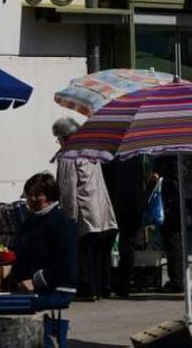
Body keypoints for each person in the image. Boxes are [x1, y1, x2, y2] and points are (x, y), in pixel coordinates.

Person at [52, 117, 117, 300]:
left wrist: (68, 218)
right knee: (99, 253)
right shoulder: (92, 152)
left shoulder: (67, 155)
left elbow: (67, 188)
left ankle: (88, 290)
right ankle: (103, 288)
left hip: (84, 212)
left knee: (83, 254)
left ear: (65, 137)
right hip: (101, 212)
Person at [4, 173, 78, 307]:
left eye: (38, 195)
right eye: (29, 195)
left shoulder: (62, 223)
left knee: (12, 306)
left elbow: (65, 263)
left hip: (56, 290)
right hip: (28, 289)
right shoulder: (29, 223)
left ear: (50, 197)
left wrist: (35, 281)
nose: (32, 199)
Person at [102, 157, 148, 297]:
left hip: (114, 206)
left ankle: (105, 284)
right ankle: (124, 285)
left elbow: (105, 184)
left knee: (106, 246)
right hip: (133, 207)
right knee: (128, 247)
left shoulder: (109, 161)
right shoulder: (136, 159)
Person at [150, 156, 184, 293]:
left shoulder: (172, 159)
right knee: (174, 245)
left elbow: (175, 181)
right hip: (172, 206)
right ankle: (177, 278)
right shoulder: (175, 158)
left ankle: (177, 280)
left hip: (171, 207)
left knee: (173, 244)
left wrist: (159, 178)